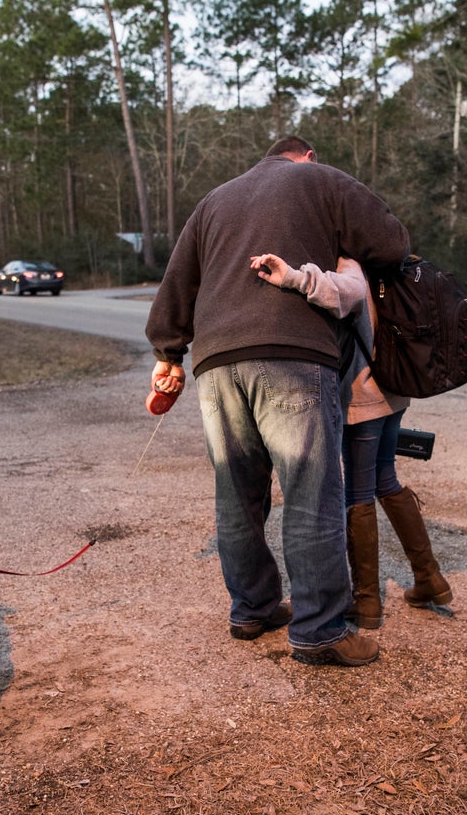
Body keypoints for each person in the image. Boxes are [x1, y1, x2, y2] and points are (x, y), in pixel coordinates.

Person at [145, 136, 411, 666]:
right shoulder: (322, 180)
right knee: (312, 492)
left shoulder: (214, 200)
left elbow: (178, 281)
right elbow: (392, 243)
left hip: (216, 366)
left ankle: (253, 608)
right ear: (308, 157)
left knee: (237, 493)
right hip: (292, 354)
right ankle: (318, 631)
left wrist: (168, 349)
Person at [249, 252, 453, 630]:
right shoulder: (392, 264)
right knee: (386, 479)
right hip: (397, 388)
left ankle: (366, 602)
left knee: (357, 493)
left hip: (364, 395)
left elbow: (345, 298)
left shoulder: (351, 266)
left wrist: (296, 278)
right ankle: (429, 578)